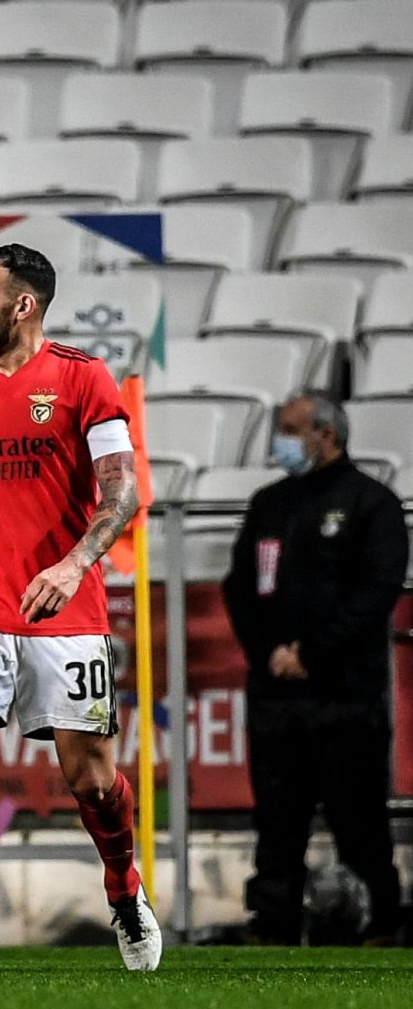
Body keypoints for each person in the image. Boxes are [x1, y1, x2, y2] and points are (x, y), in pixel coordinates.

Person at [0, 244, 160, 975]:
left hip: (64, 604)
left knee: (90, 778)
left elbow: (123, 491)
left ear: (23, 306)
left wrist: (75, 561)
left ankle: (123, 885)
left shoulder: (82, 378)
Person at [223, 392, 409, 946]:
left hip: (345, 693)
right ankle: (273, 924)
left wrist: (311, 653)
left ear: (326, 435)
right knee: (277, 822)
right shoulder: (268, 503)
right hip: (275, 695)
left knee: (360, 818)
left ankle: (380, 922)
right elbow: (239, 589)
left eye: (288, 429)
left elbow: (376, 593)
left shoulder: (371, 503)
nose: (278, 440)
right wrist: (271, 655)